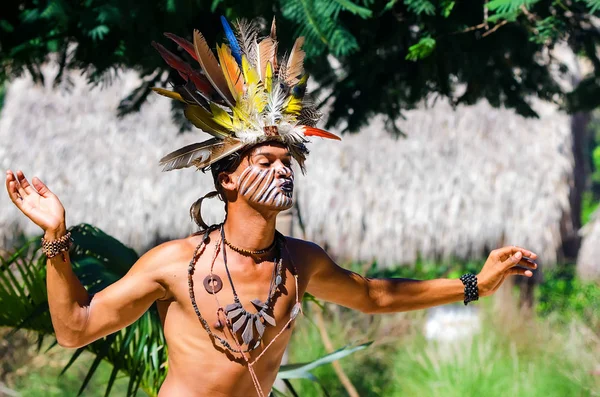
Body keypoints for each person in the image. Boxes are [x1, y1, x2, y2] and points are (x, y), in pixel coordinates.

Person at [4, 16, 537, 397]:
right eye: (265, 160)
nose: (282, 169)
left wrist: (476, 285)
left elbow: (373, 295)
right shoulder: (174, 263)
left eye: (288, 161)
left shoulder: (301, 263)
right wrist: (56, 237)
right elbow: (76, 328)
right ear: (228, 178)